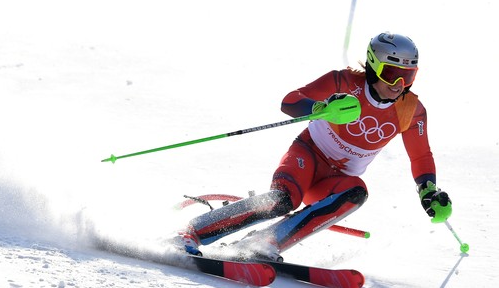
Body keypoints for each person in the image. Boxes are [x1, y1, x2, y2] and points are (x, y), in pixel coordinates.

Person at [175, 32, 452, 261]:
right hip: (307, 156)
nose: (399, 84)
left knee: (356, 191)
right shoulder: (343, 82)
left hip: (334, 180)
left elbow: (421, 156)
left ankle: (262, 244)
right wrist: (321, 109)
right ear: (373, 66)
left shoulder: (411, 110)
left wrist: (428, 190)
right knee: (283, 200)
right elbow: (290, 101)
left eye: (409, 76)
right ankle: (190, 233)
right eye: (392, 73)